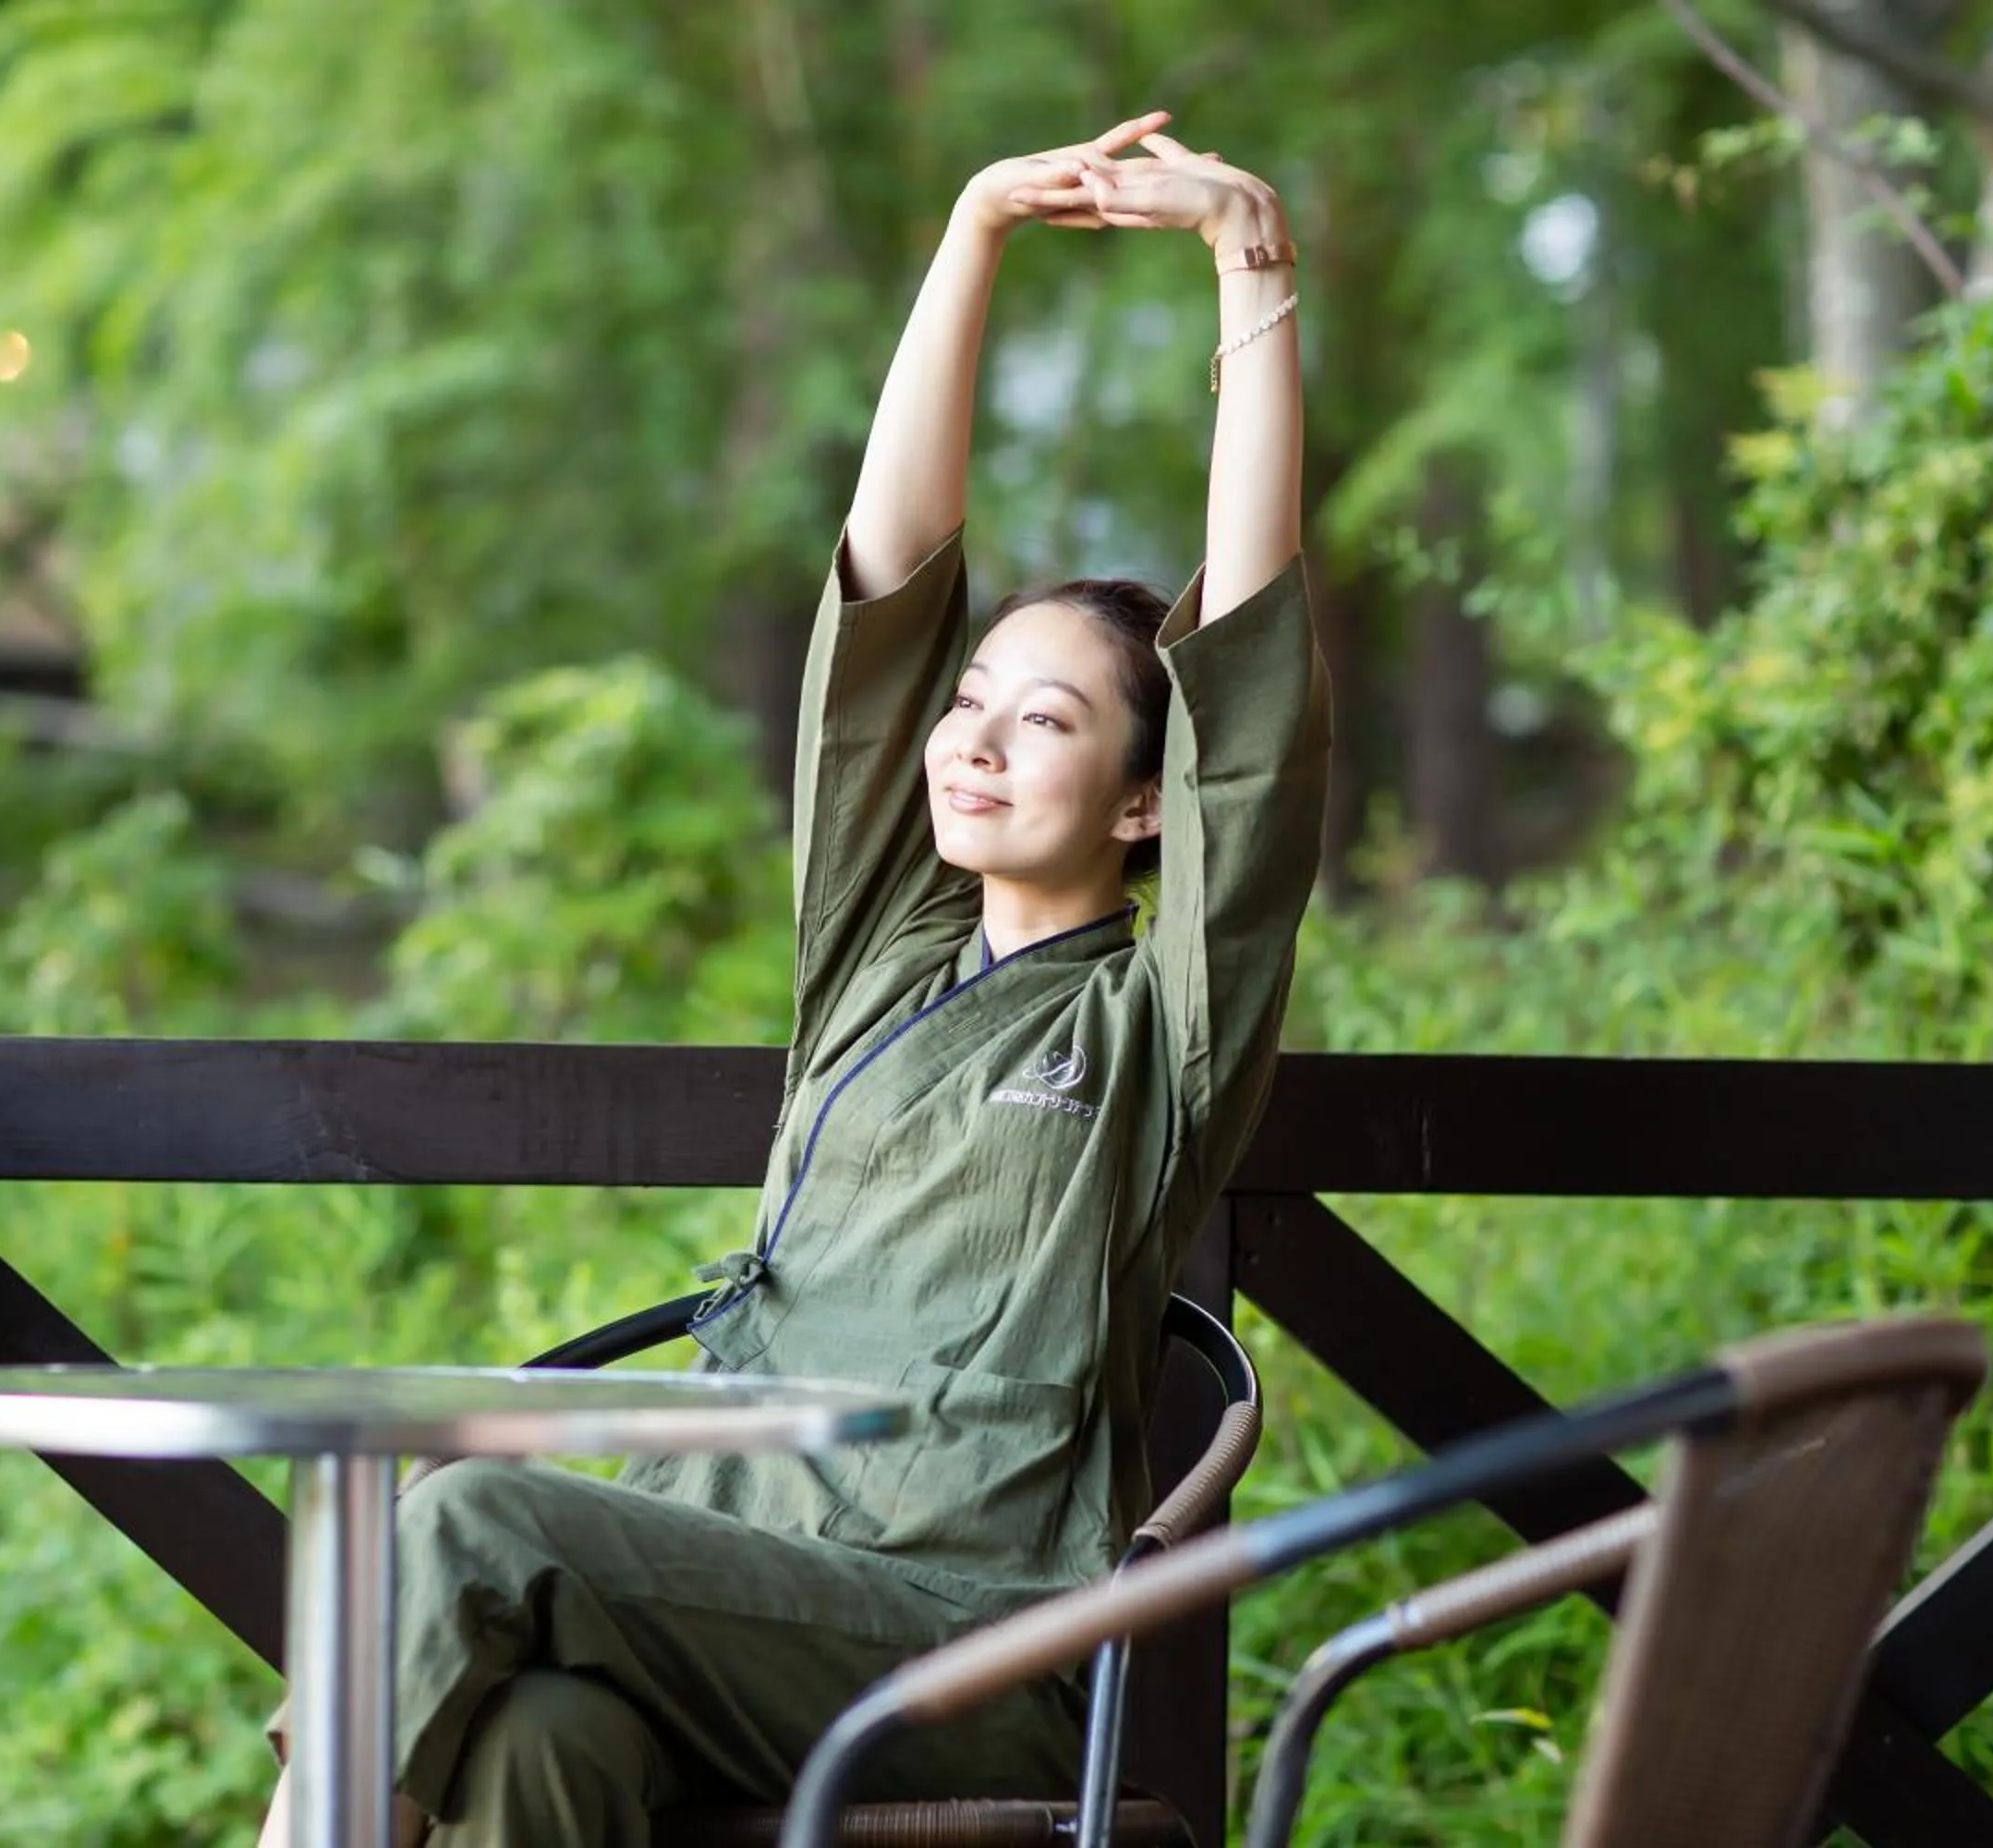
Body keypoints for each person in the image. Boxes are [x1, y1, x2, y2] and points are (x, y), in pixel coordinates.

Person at [259, 108, 1330, 1847]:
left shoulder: (1156, 1029)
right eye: (972, 710)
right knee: (541, 1749)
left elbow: (1257, 717)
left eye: (1043, 724)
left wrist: (1248, 268)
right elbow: (890, 594)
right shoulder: (881, 957)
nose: (974, 744)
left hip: (969, 1641)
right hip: (743, 1577)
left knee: (464, 1519)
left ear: (1147, 801)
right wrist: (974, 226)